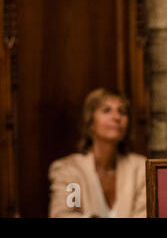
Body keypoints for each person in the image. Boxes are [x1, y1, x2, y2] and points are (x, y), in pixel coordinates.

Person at [48, 88, 147, 218]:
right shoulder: (69, 169)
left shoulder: (140, 168)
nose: (117, 117)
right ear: (90, 121)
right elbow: (64, 214)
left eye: (122, 111)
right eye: (106, 110)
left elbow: (145, 214)